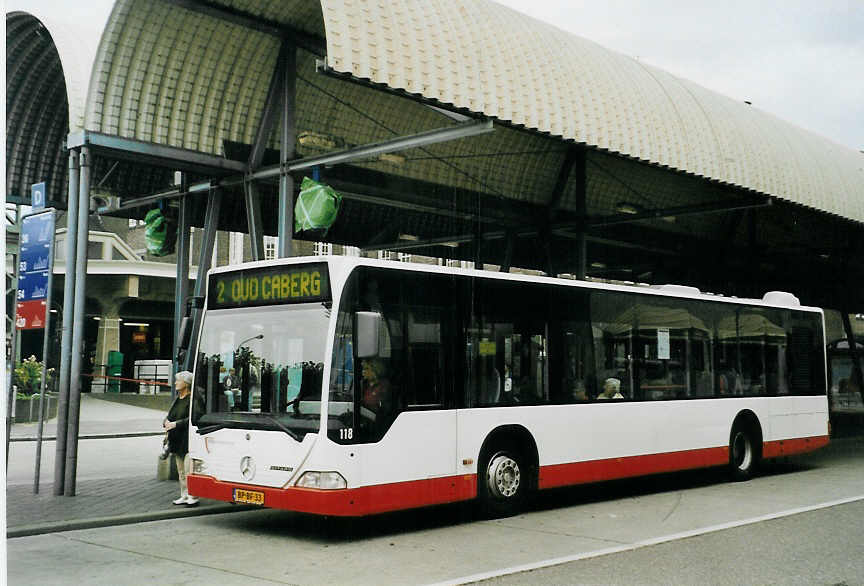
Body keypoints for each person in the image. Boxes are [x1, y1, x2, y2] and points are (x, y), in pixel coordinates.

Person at [164, 370, 204, 506]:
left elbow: (195, 417)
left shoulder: (193, 400)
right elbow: (171, 415)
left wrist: (175, 424)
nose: (175, 383)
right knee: (181, 470)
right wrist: (166, 421)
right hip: (176, 439)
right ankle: (184, 494)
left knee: (188, 470)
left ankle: (193, 495)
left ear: (186, 384)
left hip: (188, 440)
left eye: (178, 381)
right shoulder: (178, 398)